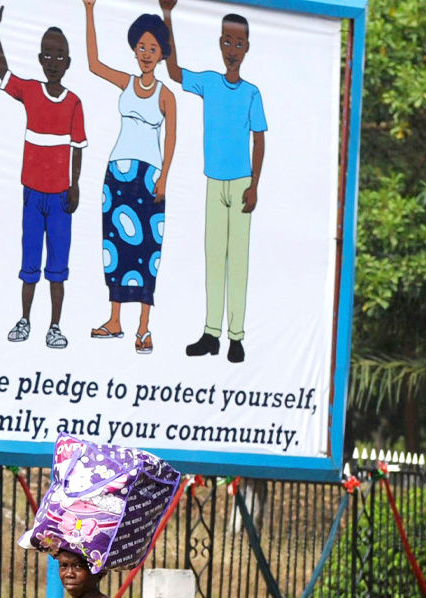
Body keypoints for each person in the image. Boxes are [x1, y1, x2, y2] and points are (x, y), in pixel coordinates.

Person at [160, 0, 266, 364]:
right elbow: (173, 71)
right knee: (213, 260)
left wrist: (254, 185)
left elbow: (260, 138)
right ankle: (211, 333)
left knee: (237, 261)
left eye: (239, 44)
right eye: (227, 42)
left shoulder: (251, 92)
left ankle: (236, 336)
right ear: (219, 44)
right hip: (213, 183)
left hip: (240, 185)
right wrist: (168, 15)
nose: (232, 50)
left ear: (247, 48)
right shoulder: (209, 82)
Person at [0, 0, 88, 350]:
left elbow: (77, 147)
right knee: (30, 262)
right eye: (48, 55)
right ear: (40, 59)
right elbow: (4, 73)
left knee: (58, 266)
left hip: (60, 198)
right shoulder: (29, 91)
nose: (54, 62)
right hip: (32, 195)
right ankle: (25, 319)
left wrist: (75, 186)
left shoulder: (74, 103)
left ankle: (54, 326)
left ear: (68, 63)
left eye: (60, 57)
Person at [82, 0, 177, 355]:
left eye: (153, 48)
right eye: (142, 47)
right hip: (118, 172)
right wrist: (89, 10)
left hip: (148, 175)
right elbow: (93, 65)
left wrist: (164, 179)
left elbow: (172, 140)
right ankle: (115, 319)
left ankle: (143, 328)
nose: (147, 54)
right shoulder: (127, 82)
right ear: (134, 49)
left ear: (162, 53)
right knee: (116, 247)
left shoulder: (166, 96)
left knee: (148, 249)